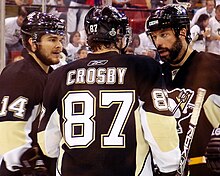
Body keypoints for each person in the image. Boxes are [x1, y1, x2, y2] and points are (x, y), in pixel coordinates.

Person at [37, 6, 181, 176]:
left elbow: (47, 145)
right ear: (119, 35)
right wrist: (169, 166)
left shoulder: (59, 75)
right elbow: (159, 124)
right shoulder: (143, 67)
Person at [146, 3, 220, 176]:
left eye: (164, 35)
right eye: (154, 36)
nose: (158, 43)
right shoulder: (154, 75)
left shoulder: (213, 65)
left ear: (183, 32)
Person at [0, 11, 66, 175]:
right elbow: (10, 130)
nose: (59, 46)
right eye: (51, 40)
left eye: (60, 40)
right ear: (32, 42)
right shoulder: (21, 75)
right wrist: (25, 166)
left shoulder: (44, 73)